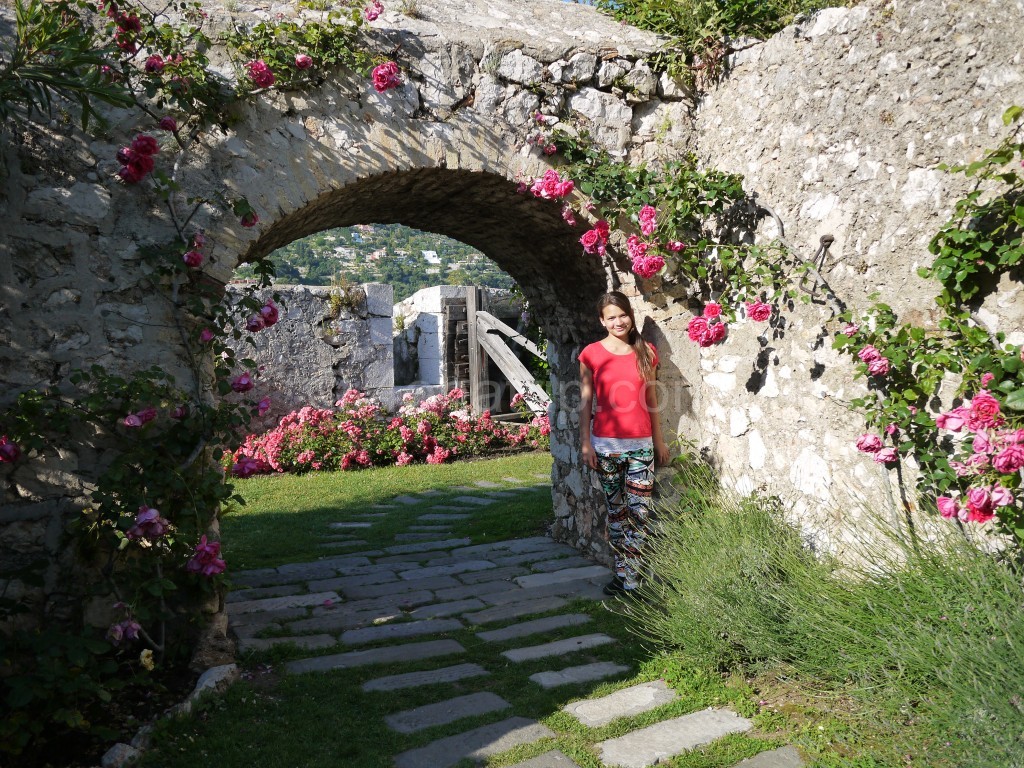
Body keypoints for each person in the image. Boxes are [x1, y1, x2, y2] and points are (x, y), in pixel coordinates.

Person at [578, 291, 670, 597]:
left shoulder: (647, 352)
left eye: (623, 315)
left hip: (642, 447)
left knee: (639, 513)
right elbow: (586, 401)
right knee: (616, 513)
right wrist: (585, 444)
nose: (619, 321)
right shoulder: (591, 354)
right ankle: (622, 574)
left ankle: (630, 580)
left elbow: (652, 400)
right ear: (602, 321)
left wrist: (659, 441)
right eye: (611, 317)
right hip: (605, 447)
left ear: (630, 315)